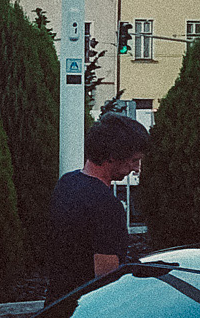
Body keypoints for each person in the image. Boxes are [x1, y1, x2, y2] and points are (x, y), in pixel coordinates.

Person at [47, 112, 149, 301]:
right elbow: (106, 283)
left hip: (56, 309)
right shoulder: (107, 206)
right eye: (134, 160)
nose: (137, 168)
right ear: (112, 156)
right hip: (85, 316)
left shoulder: (66, 183)